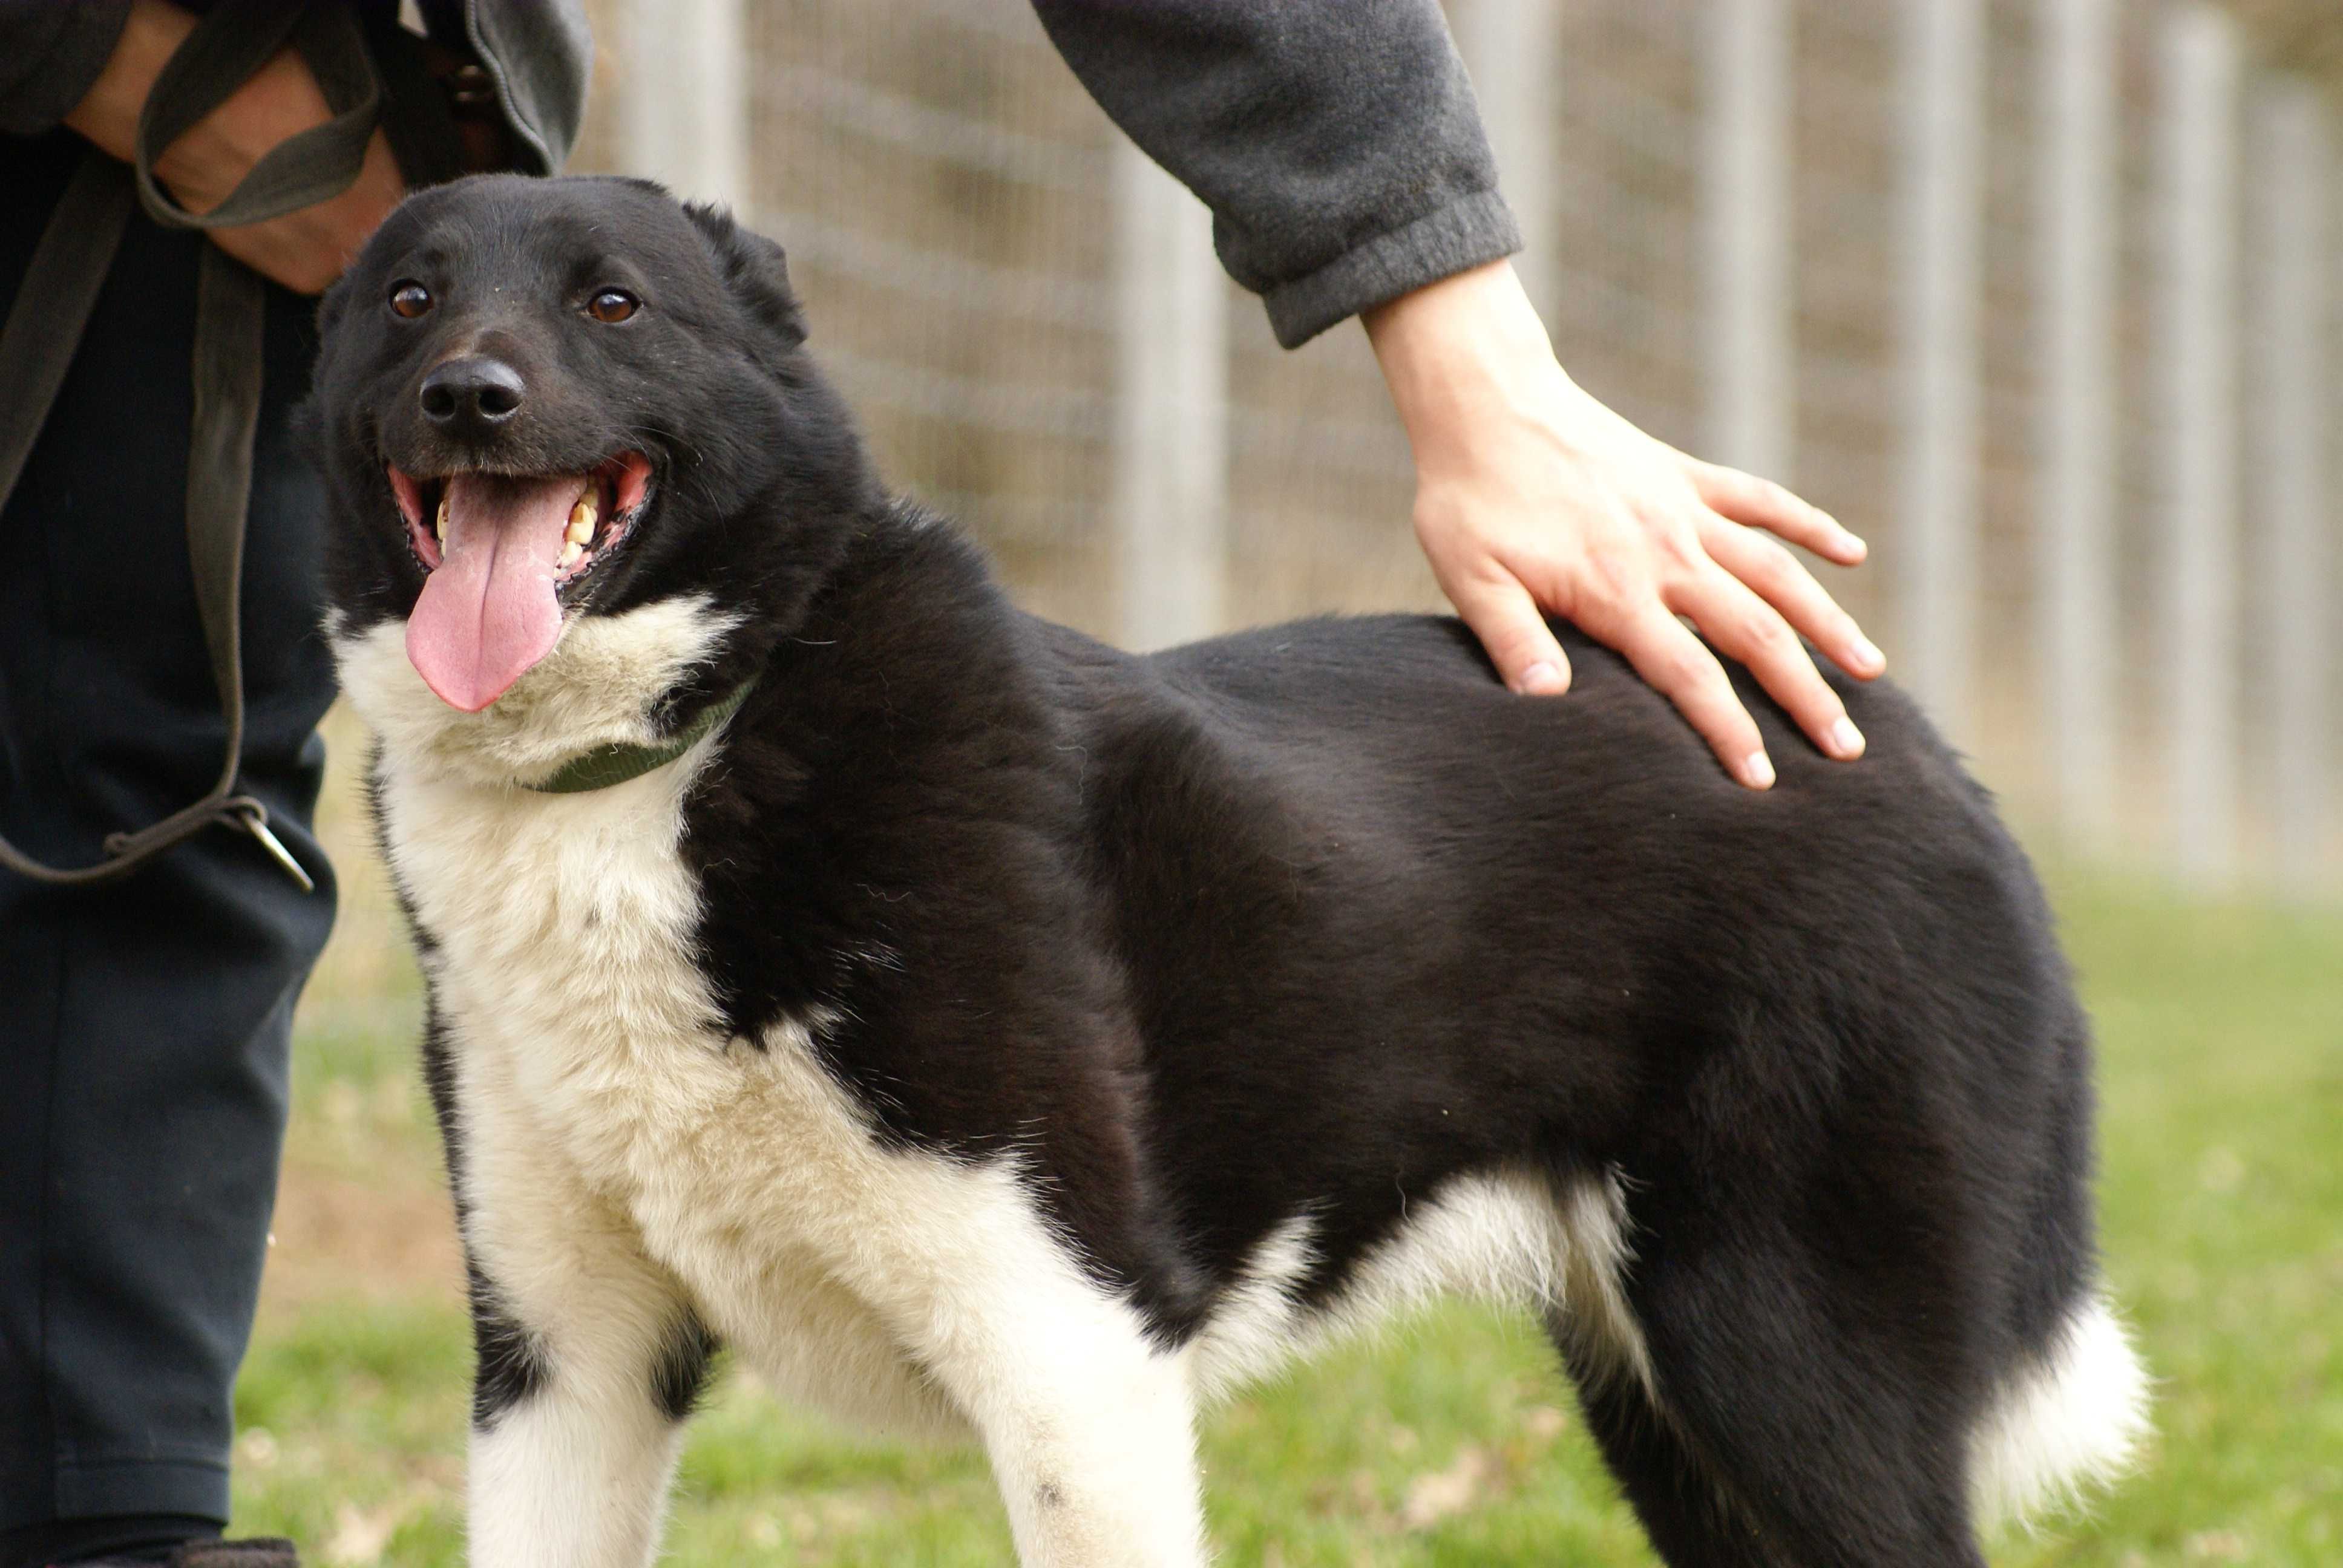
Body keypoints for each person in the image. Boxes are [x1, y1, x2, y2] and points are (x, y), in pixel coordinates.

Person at [0, 3, 1878, 1563]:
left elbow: (1067, 1352)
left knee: (144, 803)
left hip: (272, 155)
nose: (483, 372)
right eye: (422, 327)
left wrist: (1448, 315)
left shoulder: (877, 759)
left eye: (604, 315)